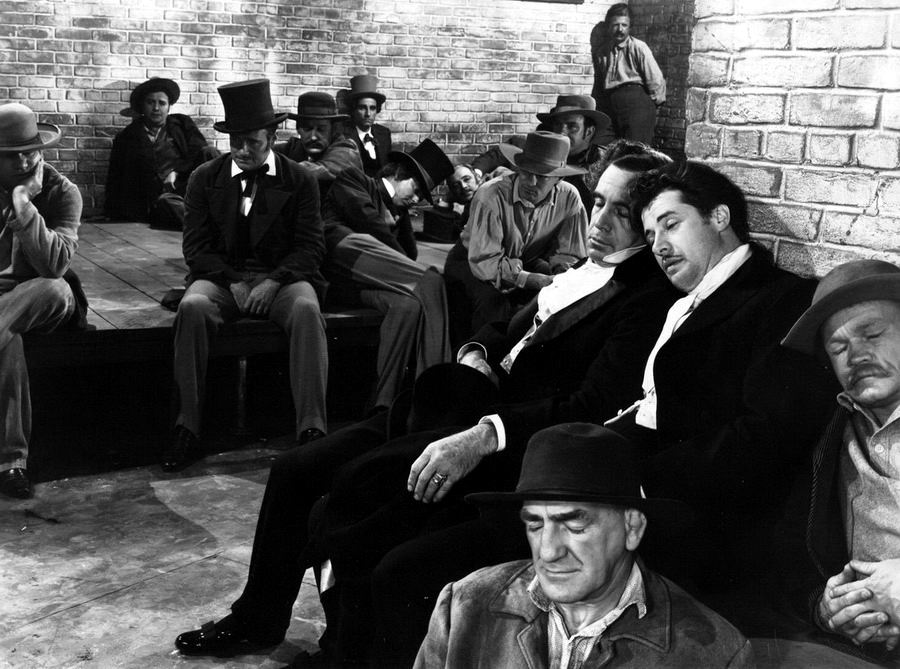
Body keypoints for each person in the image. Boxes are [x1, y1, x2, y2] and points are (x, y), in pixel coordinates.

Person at [171, 148, 675, 664]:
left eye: (621, 212)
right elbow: (503, 327)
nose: (600, 221)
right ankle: (257, 618)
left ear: (650, 225)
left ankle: (344, 651)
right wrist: (476, 351)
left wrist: (486, 432)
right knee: (294, 470)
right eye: (598, 202)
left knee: (354, 503)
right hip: (455, 401)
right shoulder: (584, 270)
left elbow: (590, 404)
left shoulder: (646, 297)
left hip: (500, 437)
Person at [415, 422, 754, 668]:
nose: (548, 551)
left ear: (632, 528)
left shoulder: (717, 654)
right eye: (535, 524)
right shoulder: (464, 606)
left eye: (575, 525)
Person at [164, 78, 327, 473]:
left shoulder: (299, 179)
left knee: (307, 310)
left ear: (271, 137)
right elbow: (196, 248)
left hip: (281, 278)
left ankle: (312, 430)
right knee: (193, 307)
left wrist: (273, 282)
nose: (241, 150)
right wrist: (233, 282)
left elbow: (310, 247)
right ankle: (187, 426)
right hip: (223, 278)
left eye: (252, 142)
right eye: (235, 141)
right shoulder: (205, 177)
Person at [779, 259, 900, 666]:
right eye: (838, 348)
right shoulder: (830, 432)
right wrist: (826, 608)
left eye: (872, 334)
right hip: (863, 649)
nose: (856, 355)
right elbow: (790, 551)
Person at [321, 138, 454, 413]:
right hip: (340, 256)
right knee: (431, 281)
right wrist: (390, 216)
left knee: (408, 306)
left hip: (362, 284)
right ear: (398, 174)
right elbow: (367, 222)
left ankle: (382, 404)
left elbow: (410, 254)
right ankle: (432, 397)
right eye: (416, 190)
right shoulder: (355, 179)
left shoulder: (396, 210)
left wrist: (401, 214)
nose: (416, 199)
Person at [0, 103, 87, 500]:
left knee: (55, 288)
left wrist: (23, 202)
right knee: (9, 342)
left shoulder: (62, 191)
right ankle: (11, 463)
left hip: (41, 294)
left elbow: (54, 265)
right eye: (11, 156)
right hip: (7, 312)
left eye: (30, 152)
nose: (23, 162)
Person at [444, 130, 589, 340]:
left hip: (524, 259)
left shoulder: (569, 198)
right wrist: (531, 280)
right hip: (472, 260)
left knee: (564, 300)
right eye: (526, 172)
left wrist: (561, 275)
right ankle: (480, 355)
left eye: (542, 176)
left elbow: (570, 253)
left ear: (559, 178)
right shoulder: (490, 195)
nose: (531, 182)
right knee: (494, 305)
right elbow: (486, 262)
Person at [471, 95, 614, 217]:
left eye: (572, 127)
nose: (562, 132)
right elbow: (496, 155)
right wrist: (474, 174)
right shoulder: (536, 147)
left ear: (589, 131)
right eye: (558, 125)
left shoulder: (605, 164)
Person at [105, 77, 218, 229]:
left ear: (169, 107)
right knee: (167, 203)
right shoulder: (127, 137)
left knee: (210, 152)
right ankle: (211, 226)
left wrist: (177, 171)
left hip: (187, 186)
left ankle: (225, 208)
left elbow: (199, 150)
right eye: (150, 102)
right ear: (142, 106)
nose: (156, 108)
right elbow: (115, 177)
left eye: (162, 103)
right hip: (160, 200)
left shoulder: (181, 125)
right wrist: (111, 212)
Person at [591, 3, 666, 144]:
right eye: (615, 25)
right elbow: (599, 84)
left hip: (636, 105)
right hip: (610, 105)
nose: (620, 29)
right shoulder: (602, 52)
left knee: (634, 150)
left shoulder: (639, 47)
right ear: (609, 27)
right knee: (603, 146)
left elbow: (656, 80)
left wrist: (648, 106)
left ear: (630, 27)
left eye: (624, 25)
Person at [274, 91, 361, 199]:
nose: (313, 137)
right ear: (298, 129)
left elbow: (317, 170)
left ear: (333, 129)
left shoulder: (347, 150)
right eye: (307, 129)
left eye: (321, 129)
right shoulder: (293, 148)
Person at [341, 74, 392, 177]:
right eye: (362, 108)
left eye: (372, 108)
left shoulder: (384, 134)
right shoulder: (343, 135)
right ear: (354, 109)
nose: (368, 114)